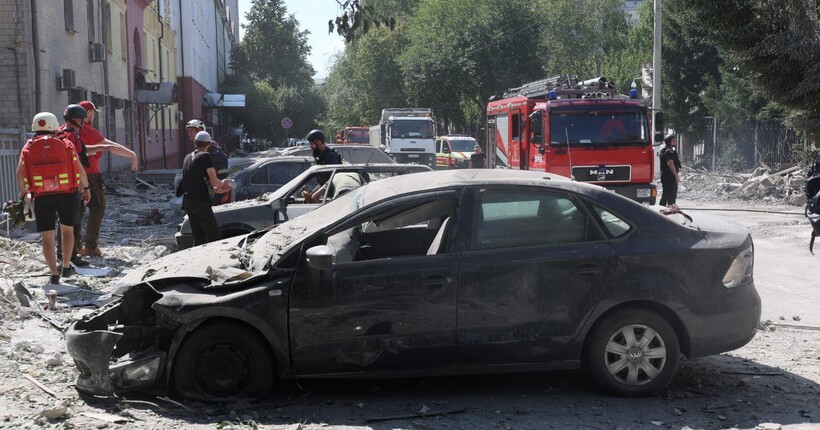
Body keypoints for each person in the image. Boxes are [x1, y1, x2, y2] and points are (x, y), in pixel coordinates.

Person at [16, 112, 90, 285]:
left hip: (42, 196)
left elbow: (20, 171)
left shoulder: (29, 146)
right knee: (67, 230)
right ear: (55, 126)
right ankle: (66, 266)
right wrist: (86, 187)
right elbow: (78, 168)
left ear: (36, 127)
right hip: (67, 194)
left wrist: (23, 192)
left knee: (47, 236)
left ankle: (53, 274)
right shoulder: (66, 143)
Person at [74, 101, 138, 257]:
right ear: (88, 113)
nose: (93, 116)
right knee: (98, 206)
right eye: (93, 112)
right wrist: (132, 155)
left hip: (72, 176)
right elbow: (110, 146)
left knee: (76, 211)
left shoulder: (65, 130)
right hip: (89, 175)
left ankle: (73, 247)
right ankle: (90, 246)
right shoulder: (88, 130)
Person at [176, 131, 231, 246]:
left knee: (198, 236)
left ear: (195, 143)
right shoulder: (205, 156)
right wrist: (224, 183)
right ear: (209, 144)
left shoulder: (187, 157)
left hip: (188, 202)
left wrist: (220, 189)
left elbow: (201, 184)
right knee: (214, 235)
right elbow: (215, 181)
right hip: (200, 203)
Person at [55, 104, 92, 267]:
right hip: (72, 185)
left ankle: (62, 253)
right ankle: (70, 255)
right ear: (75, 119)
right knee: (72, 221)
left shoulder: (61, 133)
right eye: (81, 118)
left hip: (61, 184)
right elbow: (76, 163)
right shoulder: (70, 137)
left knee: (64, 221)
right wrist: (85, 186)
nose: (83, 122)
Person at [185, 119, 228, 204]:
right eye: (188, 130)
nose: (189, 133)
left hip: (212, 196)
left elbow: (218, 178)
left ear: (200, 130)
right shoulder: (196, 152)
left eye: (192, 130)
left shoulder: (212, 150)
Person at [301, 129, 343, 202]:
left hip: (333, 191)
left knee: (313, 197)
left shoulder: (330, 156)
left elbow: (333, 179)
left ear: (319, 142)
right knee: (309, 199)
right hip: (324, 187)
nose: (310, 146)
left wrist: (317, 194)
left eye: (311, 144)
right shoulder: (320, 155)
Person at [659, 133, 682, 208]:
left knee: (665, 195)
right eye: (673, 141)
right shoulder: (669, 152)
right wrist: (676, 175)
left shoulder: (663, 150)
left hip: (665, 177)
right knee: (671, 197)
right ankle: (670, 212)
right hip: (670, 177)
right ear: (669, 142)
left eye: (675, 140)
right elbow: (670, 163)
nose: (675, 142)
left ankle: (660, 212)